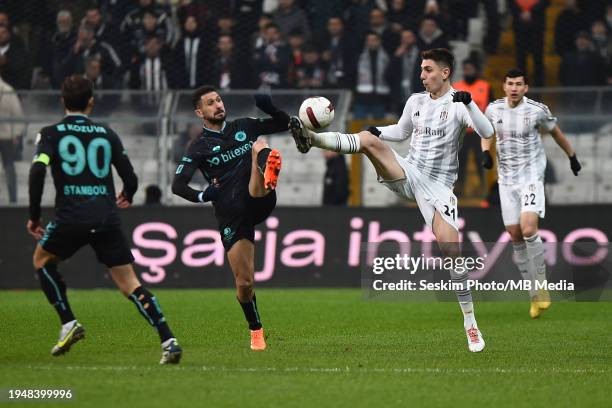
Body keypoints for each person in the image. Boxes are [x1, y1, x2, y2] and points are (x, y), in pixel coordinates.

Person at [289, 48, 493, 352]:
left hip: (439, 187)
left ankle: (470, 323)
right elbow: (400, 132)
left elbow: (488, 130)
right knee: (369, 140)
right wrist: (378, 130)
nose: (422, 76)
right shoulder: (416, 101)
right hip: (408, 172)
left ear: (445, 72)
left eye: (428, 70)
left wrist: (472, 105)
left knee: (452, 252)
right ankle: (312, 139)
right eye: (421, 70)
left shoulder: (460, 104)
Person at [27, 76, 182, 364]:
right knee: (130, 284)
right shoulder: (106, 133)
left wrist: (34, 216)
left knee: (41, 261)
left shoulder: (49, 133)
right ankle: (168, 339)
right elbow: (130, 175)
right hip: (105, 215)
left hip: (71, 216)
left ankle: (68, 322)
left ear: (63, 101)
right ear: (91, 101)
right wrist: (129, 193)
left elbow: (37, 171)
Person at [172, 87, 289, 351]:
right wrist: (203, 195)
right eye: (211, 103)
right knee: (245, 283)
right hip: (232, 213)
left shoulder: (244, 126)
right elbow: (178, 185)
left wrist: (269, 107)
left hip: (257, 197)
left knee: (259, 144)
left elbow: (284, 123)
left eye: (219, 100)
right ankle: (256, 330)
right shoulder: (198, 146)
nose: (218, 105)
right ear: (200, 112)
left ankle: (266, 170)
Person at [481, 68, 581, 319]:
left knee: (528, 230)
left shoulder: (537, 110)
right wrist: (485, 152)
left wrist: (572, 157)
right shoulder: (493, 109)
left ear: (526, 88)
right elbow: (486, 133)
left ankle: (542, 285)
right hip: (506, 181)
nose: (514, 88)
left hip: (531, 178)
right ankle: (533, 294)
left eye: (519, 84)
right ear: (504, 86)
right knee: (515, 236)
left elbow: (556, 133)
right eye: (510, 84)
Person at [453, 58, 492, 196]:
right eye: (465, 69)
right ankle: (459, 191)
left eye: (470, 69)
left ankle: (483, 190)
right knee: (460, 162)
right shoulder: (457, 87)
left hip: (478, 133)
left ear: (476, 70)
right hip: (462, 132)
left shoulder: (485, 86)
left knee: (480, 160)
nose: (467, 71)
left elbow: (490, 109)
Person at [0, 74, 24, 203]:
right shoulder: (8, 90)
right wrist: (16, 134)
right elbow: (18, 113)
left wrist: (16, 133)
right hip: (7, 135)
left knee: (9, 167)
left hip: (7, 134)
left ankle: (13, 199)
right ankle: (13, 199)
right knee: (9, 167)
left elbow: (17, 114)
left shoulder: (9, 91)